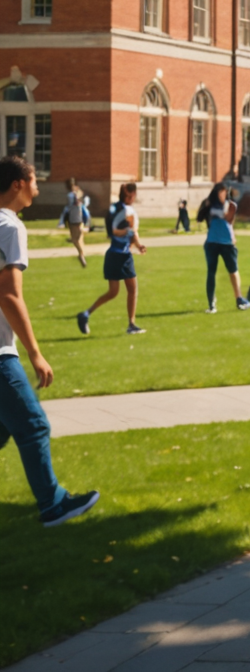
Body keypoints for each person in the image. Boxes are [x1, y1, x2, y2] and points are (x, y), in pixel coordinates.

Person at [0, 155, 101, 526]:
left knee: (4, 429)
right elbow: (9, 295)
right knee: (33, 425)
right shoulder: (10, 228)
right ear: (17, 185)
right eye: (34, 180)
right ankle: (52, 503)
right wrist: (35, 353)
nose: (39, 186)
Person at [77, 182, 147, 336]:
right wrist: (136, 242)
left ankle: (86, 314)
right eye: (132, 194)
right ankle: (131, 324)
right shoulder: (126, 211)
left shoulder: (115, 209)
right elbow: (125, 231)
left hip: (113, 255)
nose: (134, 197)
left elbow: (120, 232)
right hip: (122, 256)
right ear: (129, 195)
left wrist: (136, 244)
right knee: (132, 289)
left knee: (113, 292)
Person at [196, 182, 247, 313]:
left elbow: (230, 222)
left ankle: (239, 299)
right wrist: (205, 206)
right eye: (221, 191)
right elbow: (199, 218)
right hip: (212, 242)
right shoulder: (209, 204)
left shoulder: (230, 205)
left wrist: (233, 236)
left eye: (225, 192)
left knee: (233, 271)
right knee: (211, 272)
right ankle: (211, 303)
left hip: (227, 243)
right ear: (216, 192)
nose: (223, 194)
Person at [59, 179, 88, 268]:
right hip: (73, 219)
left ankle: (81, 255)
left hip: (79, 219)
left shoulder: (78, 193)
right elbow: (71, 205)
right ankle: (81, 255)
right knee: (77, 239)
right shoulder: (71, 195)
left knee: (79, 239)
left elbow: (84, 202)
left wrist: (79, 195)